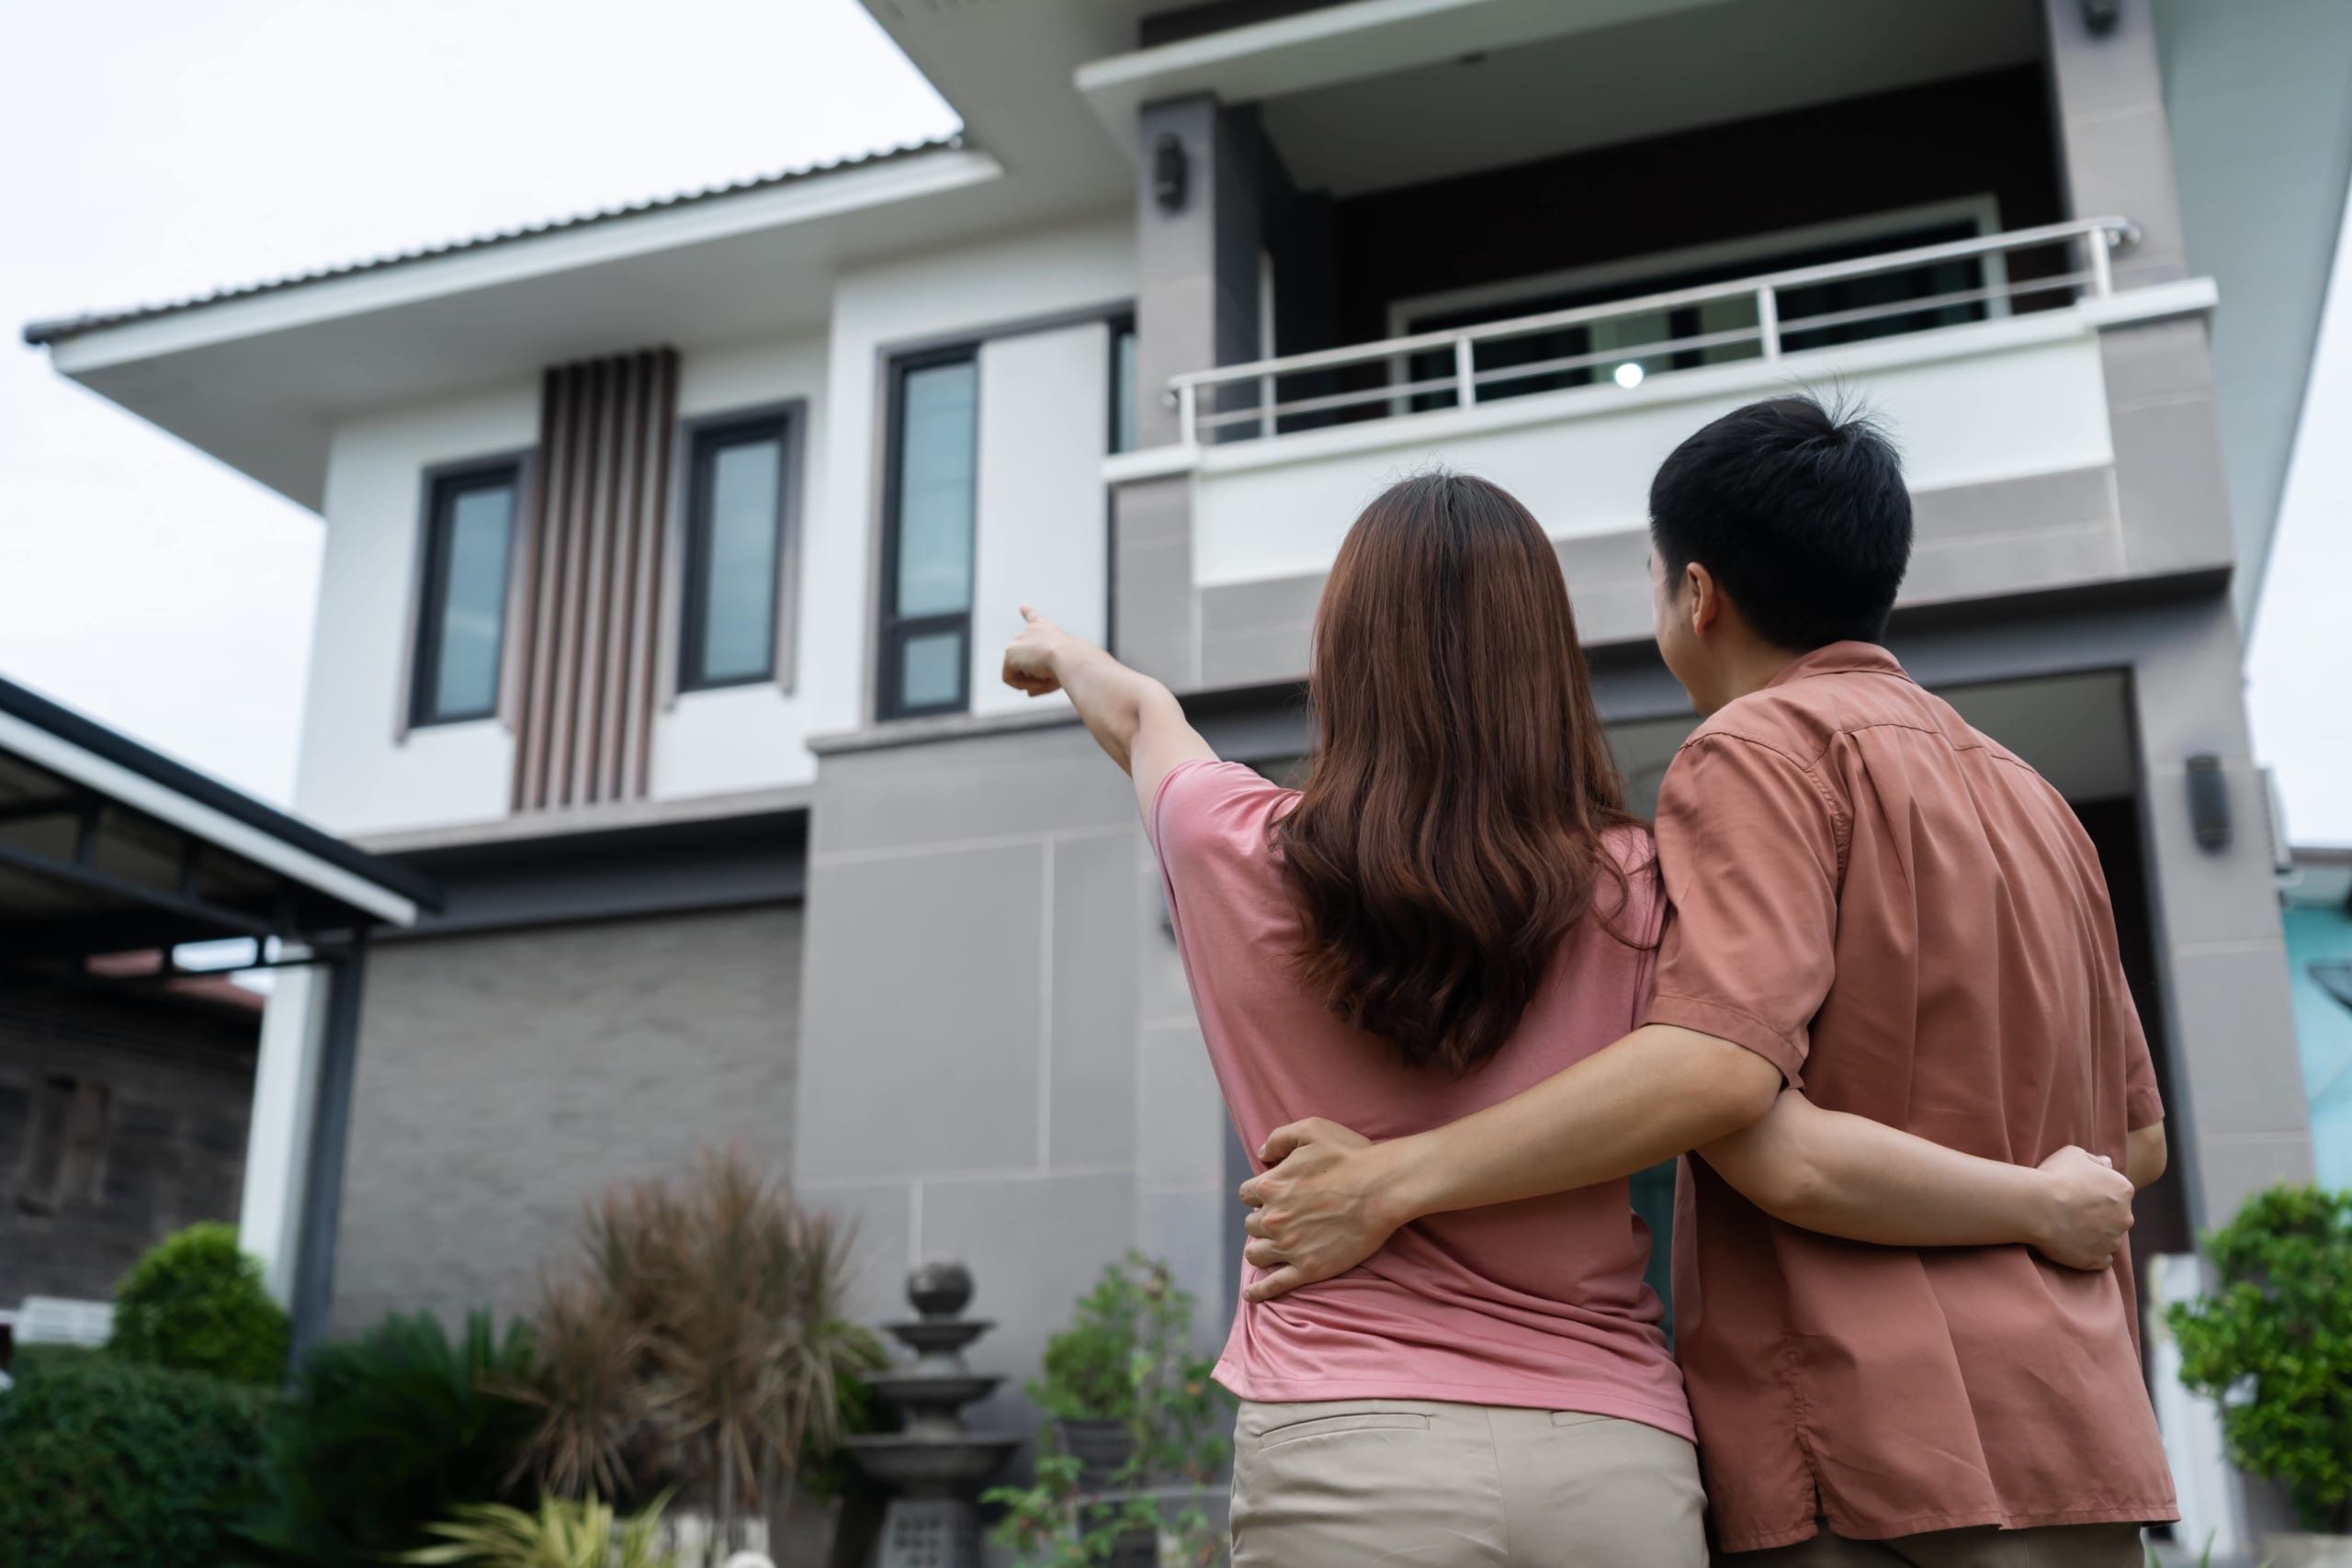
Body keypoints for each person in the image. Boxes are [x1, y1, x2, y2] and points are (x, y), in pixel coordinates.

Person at [1000, 467, 2138, 1568]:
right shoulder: (1646, 882)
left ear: (1342, 654)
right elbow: (1753, 1103)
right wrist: (2038, 1198)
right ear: (1545, 660)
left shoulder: (1229, 843)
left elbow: (1143, 716)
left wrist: (1063, 653)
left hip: (1344, 1437)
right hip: (1612, 1456)